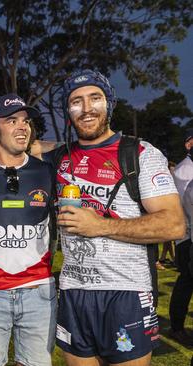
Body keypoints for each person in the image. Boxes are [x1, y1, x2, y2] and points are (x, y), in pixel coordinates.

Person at [48, 70, 185, 365]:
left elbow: (174, 224)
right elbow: (18, 148)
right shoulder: (60, 157)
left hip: (127, 294)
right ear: (67, 111)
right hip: (73, 293)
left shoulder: (140, 154)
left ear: (109, 103)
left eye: (94, 98)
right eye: (76, 102)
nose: (86, 109)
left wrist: (100, 226)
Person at [0, 94, 56, 366]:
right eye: (12, 120)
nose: (22, 127)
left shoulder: (48, 171)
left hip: (38, 292)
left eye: (26, 121)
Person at [168, 130, 193, 345]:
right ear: (188, 144)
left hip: (187, 235)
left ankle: (177, 325)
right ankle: (176, 327)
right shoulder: (185, 170)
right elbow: (187, 208)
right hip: (187, 237)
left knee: (186, 283)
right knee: (186, 283)